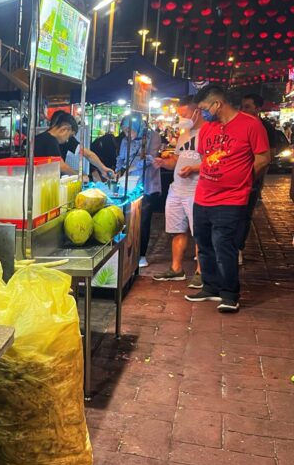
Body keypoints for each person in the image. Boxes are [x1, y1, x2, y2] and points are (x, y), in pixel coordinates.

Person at [182, 84, 271, 312]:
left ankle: (229, 294)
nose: (202, 113)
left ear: (217, 104)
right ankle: (210, 287)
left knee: (224, 246)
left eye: (204, 108)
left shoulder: (250, 124)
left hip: (231, 200)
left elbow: (262, 158)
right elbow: (208, 158)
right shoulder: (209, 129)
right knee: (203, 244)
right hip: (203, 196)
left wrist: (244, 180)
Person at [152, 95, 203, 287]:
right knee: (176, 231)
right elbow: (176, 161)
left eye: (185, 114)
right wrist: (163, 163)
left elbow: (216, 162)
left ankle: (201, 272)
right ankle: (176, 269)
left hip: (196, 190)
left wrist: (194, 169)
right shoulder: (184, 134)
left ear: (196, 112)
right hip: (177, 190)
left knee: (199, 233)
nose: (182, 119)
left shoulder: (208, 133)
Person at [115, 114, 163, 268]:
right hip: (127, 184)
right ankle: (126, 251)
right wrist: (117, 171)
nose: (127, 134)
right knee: (126, 218)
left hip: (146, 183)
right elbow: (121, 159)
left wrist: (134, 168)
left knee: (143, 220)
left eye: (129, 130)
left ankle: (141, 254)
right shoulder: (125, 140)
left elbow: (151, 158)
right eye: (124, 131)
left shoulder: (153, 137)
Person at [238, 93, 276, 260]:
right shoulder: (237, 124)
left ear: (258, 109)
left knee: (245, 214)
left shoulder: (266, 127)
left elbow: (268, 156)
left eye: (247, 106)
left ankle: (238, 247)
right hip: (234, 177)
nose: (243, 110)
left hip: (252, 178)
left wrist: (252, 177)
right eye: (242, 106)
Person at [34, 113, 115, 179]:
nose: (67, 140)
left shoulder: (39, 137)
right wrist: (79, 176)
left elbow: (88, 154)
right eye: (69, 136)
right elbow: (61, 166)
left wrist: (102, 168)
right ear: (64, 129)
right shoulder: (51, 140)